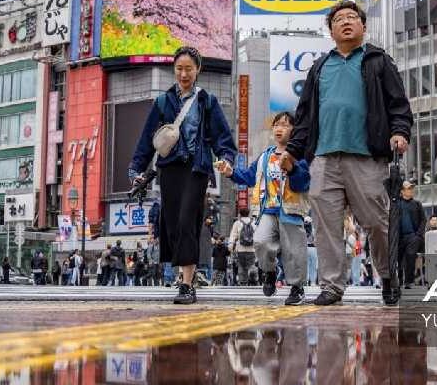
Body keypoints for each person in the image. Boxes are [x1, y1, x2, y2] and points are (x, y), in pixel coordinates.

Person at [284, 0, 413, 306]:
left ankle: (388, 275)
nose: (346, 22)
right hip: (325, 159)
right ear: (331, 30)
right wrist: (292, 150)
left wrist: (400, 131)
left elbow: (399, 104)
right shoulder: (319, 67)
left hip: (366, 157)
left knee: (377, 224)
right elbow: (304, 117)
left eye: (352, 17)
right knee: (326, 227)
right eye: (339, 19)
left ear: (363, 27)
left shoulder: (378, 61)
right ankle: (331, 286)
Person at [129, 46, 237, 305]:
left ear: (198, 69)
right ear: (174, 70)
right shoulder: (163, 102)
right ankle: (183, 276)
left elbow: (223, 138)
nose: (184, 73)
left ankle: (187, 285)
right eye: (179, 68)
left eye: (189, 68)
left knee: (188, 219)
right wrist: (136, 170)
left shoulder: (206, 101)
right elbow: (146, 140)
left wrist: (226, 159)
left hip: (196, 168)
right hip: (169, 170)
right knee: (174, 223)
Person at [221, 111, 313, 304]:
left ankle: (297, 288)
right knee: (260, 241)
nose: (280, 128)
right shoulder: (265, 156)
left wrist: (292, 168)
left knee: (294, 250)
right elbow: (248, 176)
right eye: (277, 125)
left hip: (291, 210)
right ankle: (269, 272)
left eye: (285, 125)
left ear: (295, 130)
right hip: (267, 210)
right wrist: (231, 172)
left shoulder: (301, 155)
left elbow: (303, 183)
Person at [395, 180, 426, 289]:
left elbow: (423, 220)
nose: (411, 190)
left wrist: (418, 235)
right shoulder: (397, 204)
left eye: (411, 188)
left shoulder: (417, 204)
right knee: (398, 259)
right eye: (408, 188)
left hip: (413, 236)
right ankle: (398, 281)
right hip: (399, 237)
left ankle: (409, 281)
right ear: (402, 191)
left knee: (410, 257)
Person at [229, 208, 257, 285]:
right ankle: (252, 274)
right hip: (252, 249)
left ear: (240, 214)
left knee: (241, 266)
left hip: (240, 249)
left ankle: (243, 282)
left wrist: (231, 247)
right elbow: (257, 236)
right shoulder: (254, 223)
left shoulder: (237, 223)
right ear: (249, 214)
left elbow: (233, 236)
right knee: (251, 265)